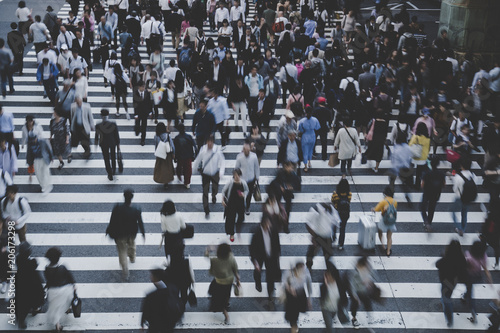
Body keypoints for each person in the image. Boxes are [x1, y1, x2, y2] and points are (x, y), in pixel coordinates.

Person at [106, 189, 146, 281]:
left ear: (124, 197)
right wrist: (143, 233)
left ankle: (125, 269)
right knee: (132, 245)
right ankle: (132, 257)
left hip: (119, 234)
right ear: (132, 198)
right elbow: (140, 222)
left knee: (122, 251)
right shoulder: (136, 209)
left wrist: (108, 230)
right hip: (132, 233)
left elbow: (112, 221)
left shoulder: (117, 207)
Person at [436, 240, 467, 328]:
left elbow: (437, 264)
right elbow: (464, 268)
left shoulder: (447, 257)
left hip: (445, 280)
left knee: (446, 298)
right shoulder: (461, 258)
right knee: (447, 294)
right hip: (454, 280)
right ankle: (444, 302)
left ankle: (449, 319)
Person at [206, 243, 240, 324]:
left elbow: (207, 256)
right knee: (226, 293)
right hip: (229, 281)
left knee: (218, 299)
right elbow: (235, 268)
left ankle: (226, 315)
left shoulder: (215, 259)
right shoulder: (231, 257)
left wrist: (208, 249)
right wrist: (237, 279)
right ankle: (227, 303)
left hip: (219, 281)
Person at [44, 247, 76, 332]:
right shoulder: (62, 267)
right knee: (68, 299)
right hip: (64, 290)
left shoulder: (46, 269)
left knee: (55, 308)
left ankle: (57, 324)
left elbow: (48, 279)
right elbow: (69, 277)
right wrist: (73, 284)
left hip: (53, 291)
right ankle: (68, 308)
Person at [193, 135, 225, 217]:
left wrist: (221, 172)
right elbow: (198, 159)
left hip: (215, 173)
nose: (210, 143)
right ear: (206, 142)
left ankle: (214, 195)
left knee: (215, 188)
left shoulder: (217, 150)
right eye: (208, 142)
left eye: (211, 141)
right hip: (205, 174)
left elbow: (222, 161)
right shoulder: (203, 150)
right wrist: (194, 169)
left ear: (213, 142)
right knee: (205, 191)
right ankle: (206, 209)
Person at [15, 242, 45, 329]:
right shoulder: (32, 262)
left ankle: (21, 319)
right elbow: (34, 265)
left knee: (21, 300)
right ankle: (35, 308)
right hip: (32, 282)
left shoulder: (18, 259)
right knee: (35, 295)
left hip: (21, 281)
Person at [464, 241, 493, 323]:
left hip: (468, 276)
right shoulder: (483, 256)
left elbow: (464, 265)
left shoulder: (468, 255)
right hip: (477, 276)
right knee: (469, 289)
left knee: (470, 293)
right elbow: (485, 269)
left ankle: (473, 311)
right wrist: (489, 279)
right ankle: (465, 295)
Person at [305, 202, 337, 270]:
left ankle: (329, 270)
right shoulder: (315, 210)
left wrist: (333, 237)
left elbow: (335, 223)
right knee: (311, 254)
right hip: (317, 235)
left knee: (328, 255)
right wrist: (313, 236)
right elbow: (307, 224)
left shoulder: (332, 210)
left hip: (327, 236)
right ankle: (309, 266)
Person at [283, 262, 312, 333]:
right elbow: (284, 281)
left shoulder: (306, 273)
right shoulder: (290, 272)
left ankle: (294, 322)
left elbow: (309, 285)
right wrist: (290, 288)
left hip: (300, 294)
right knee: (293, 311)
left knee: (297, 309)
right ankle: (294, 324)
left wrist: (309, 299)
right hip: (291, 295)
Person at [348, 256, 377, 329]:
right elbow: (352, 286)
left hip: (366, 291)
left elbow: (374, 276)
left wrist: (369, 281)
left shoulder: (368, 268)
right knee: (355, 305)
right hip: (357, 292)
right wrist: (355, 297)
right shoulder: (355, 273)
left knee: (367, 303)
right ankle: (354, 318)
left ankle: (368, 313)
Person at [320, 262, 349, 333]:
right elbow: (322, 298)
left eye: (328, 275)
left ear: (333, 275)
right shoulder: (323, 286)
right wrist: (326, 286)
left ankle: (327, 328)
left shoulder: (340, 284)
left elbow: (344, 296)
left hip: (335, 309)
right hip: (326, 309)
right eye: (326, 275)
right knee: (330, 329)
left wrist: (343, 306)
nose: (327, 277)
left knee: (330, 322)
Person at [452, 158, 477, 236]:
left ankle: (459, 228)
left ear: (461, 166)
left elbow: (454, 189)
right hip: (469, 198)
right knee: (464, 214)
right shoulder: (473, 176)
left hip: (460, 198)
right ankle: (463, 229)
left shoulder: (458, 177)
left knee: (453, 213)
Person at [222, 168, 249, 242]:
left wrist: (244, 194)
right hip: (231, 203)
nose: (236, 176)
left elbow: (247, 190)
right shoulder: (230, 183)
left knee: (241, 217)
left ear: (240, 175)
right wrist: (223, 200)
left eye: (237, 175)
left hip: (240, 203)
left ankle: (237, 227)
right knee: (230, 218)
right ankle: (231, 233)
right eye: (235, 175)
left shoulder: (243, 183)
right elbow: (223, 191)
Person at [421, 156, 445, 231]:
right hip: (436, 194)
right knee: (432, 209)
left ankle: (426, 221)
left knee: (422, 207)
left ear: (430, 164)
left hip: (427, 193)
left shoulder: (427, 173)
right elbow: (444, 184)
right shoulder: (441, 174)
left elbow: (422, 185)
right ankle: (429, 222)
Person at [95, 109, 120, 181]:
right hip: (112, 142)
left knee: (106, 158)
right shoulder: (113, 124)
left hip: (103, 143)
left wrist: (96, 144)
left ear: (101, 115)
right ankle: (114, 170)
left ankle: (109, 173)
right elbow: (116, 135)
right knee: (113, 157)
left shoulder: (98, 125)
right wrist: (118, 144)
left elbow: (97, 135)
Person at [235, 142, 260, 215]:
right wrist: (236, 177)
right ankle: (241, 206)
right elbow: (236, 168)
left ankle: (247, 207)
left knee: (249, 195)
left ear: (250, 149)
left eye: (248, 150)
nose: (247, 152)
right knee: (240, 194)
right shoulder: (239, 157)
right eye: (245, 150)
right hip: (241, 180)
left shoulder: (254, 156)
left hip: (251, 179)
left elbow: (256, 167)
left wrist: (257, 177)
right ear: (243, 150)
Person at [372, 186, 397, 257]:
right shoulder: (395, 201)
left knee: (380, 231)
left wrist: (373, 209)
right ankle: (388, 251)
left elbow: (377, 209)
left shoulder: (383, 201)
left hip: (384, 219)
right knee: (389, 236)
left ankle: (383, 245)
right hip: (391, 220)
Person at [331, 177, 352, 250]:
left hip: (336, 212)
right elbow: (349, 201)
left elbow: (333, 201)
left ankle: (333, 239)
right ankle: (341, 244)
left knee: (333, 226)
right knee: (342, 229)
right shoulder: (349, 194)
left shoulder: (335, 194)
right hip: (345, 213)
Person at [173, 123, 196, 189]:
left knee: (179, 167)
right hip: (188, 156)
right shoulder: (189, 137)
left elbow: (175, 148)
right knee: (188, 170)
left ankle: (179, 176)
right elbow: (194, 145)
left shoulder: (177, 138)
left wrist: (175, 157)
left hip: (180, 156)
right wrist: (194, 155)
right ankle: (187, 182)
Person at [21, 115, 43, 182]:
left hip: (37, 145)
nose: (30, 123)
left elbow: (41, 134)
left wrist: (38, 139)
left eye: (31, 121)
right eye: (28, 121)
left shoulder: (37, 126)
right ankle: (30, 174)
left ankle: (39, 172)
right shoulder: (24, 128)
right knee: (30, 160)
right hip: (30, 146)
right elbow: (24, 137)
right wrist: (23, 144)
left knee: (38, 160)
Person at [298, 106, 320, 172]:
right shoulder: (315, 120)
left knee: (305, 151)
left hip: (305, 136)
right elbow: (317, 127)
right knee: (310, 150)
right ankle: (309, 162)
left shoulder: (302, 121)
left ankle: (305, 166)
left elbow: (300, 129)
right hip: (312, 136)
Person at [409, 122, 431, 188]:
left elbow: (410, 145)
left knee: (411, 170)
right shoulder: (428, 139)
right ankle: (417, 185)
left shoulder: (415, 137)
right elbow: (429, 148)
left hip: (415, 156)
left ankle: (410, 183)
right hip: (423, 158)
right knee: (419, 172)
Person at [153, 122, 175, 188]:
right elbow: (172, 146)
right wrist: (173, 153)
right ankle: (167, 180)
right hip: (167, 154)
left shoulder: (156, 136)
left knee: (161, 168)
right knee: (168, 167)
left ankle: (161, 178)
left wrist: (156, 152)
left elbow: (156, 145)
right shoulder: (167, 136)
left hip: (160, 153)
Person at [133, 81, 152, 146]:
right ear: (139, 87)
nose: (144, 88)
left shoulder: (147, 93)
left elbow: (149, 103)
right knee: (138, 125)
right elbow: (135, 105)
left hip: (145, 112)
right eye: (143, 87)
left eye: (144, 86)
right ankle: (137, 129)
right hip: (138, 112)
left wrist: (150, 111)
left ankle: (143, 140)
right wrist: (135, 114)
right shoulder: (135, 94)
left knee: (144, 126)